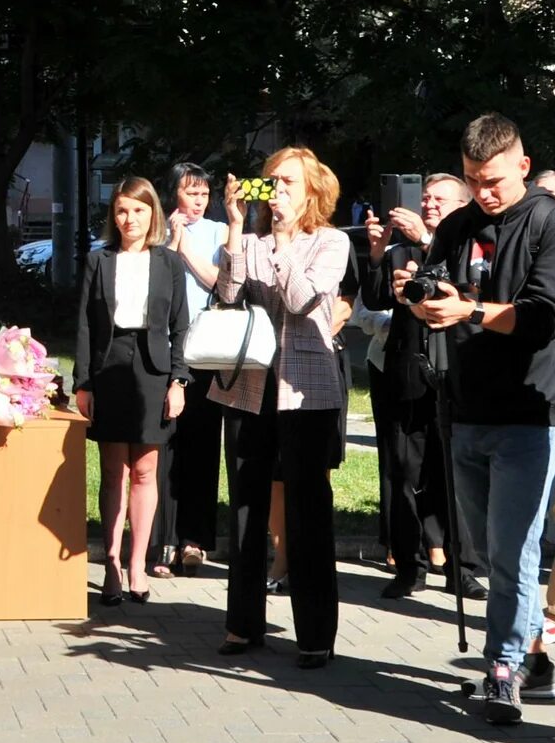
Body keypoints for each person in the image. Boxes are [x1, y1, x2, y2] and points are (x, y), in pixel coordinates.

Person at [411, 113, 555, 725]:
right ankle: (535, 658)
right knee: (486, 550)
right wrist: (421, 295)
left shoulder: (553, 227)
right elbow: (436, 282)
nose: (484, 193)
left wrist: (469, 312)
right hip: (464, 408)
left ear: (523, 167)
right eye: (473, 180)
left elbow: (543, 319)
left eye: (493, 181)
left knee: (512, 550)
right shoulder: (458, 225)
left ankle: (502, 670)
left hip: (530, 414)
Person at [214, 147, 351, 669]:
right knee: (246, 507)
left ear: (313, 189)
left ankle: (315, 634)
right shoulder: (250, 240)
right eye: (271, 182)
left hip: (307, 390)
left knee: (307, 510)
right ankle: (241, 623)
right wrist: (233, 229)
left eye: (289, 183)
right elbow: (227, 295)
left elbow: (299, 299)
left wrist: (288, 238)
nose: (278, 192)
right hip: (251, 385)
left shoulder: (331, 242)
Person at [74, 178, 191, 607]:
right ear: (114, 216)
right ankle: (110, 564)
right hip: (108, 368)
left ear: (153, 214)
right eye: (122, 211)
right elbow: (85, 325)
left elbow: (181, 327)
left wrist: (178, 381)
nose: (130, 219)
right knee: (113, 472)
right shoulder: (98, 260)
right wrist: (82, 382)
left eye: (139, 210)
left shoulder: (168, 263)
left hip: (154, 369)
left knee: (145, 470)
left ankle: (138, 563)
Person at [365, 174, 469, 599]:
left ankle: (463, 568)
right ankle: (409, 566)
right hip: (407, 372)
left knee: (455, 475)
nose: (428, 204)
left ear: (460, 206)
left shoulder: (467, 245)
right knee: (403, 471)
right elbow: (374, 301)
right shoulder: (400, 249)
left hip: (455, 374)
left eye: (439, 199)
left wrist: (428, 241)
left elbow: (467, 289)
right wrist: (376, 255)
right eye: (424, 197)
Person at [157, 165, 231, 572]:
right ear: (174, 195)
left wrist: (185, 246)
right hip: (163, 349)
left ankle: (195, 540)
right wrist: (171, 239)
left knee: (202, 447)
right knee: (165, 449)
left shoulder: (219, 232)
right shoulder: (157, 230)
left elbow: (220, 283)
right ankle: (163, 539)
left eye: (204, 193)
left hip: (203, 351)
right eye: (191, 193)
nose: (199, 201)